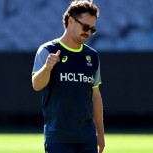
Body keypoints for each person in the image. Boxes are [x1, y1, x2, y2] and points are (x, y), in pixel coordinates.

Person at [32, 0, 105, 152]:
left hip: (87, 139)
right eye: (85, 27)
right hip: (59, 139)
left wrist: (100, 133)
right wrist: (47, 68)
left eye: (92, 29)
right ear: (71, 21)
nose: (88, 32)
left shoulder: (92, 56)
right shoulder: (47, 50)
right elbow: (36, 85)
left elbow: (95, 96)